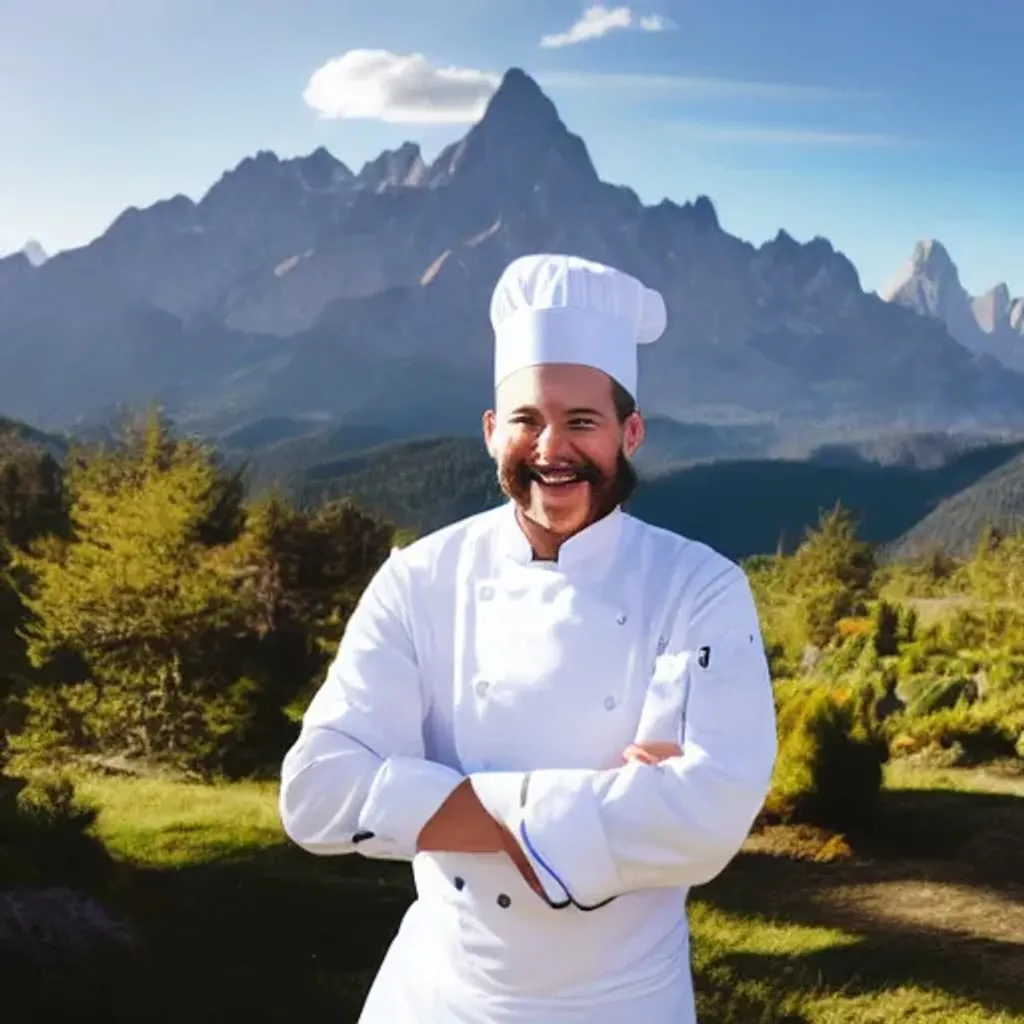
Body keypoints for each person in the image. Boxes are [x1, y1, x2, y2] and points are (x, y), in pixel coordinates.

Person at [278, 253, 778, 1023]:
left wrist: (425, 793)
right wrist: (613, 803)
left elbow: (709, 820)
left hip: (625, 1004)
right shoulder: (420, 579)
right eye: (526, 420)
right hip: (439, 996)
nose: (552, 448)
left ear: (630, 432)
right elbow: (314, 795)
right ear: (489, 433)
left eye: (582, 421)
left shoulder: (700, 588)